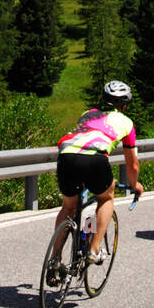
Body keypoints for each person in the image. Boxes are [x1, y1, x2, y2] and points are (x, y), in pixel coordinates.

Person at [48, 81, 143, 284]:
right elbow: (132, 164)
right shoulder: (127, 123)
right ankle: (94, 249)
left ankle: (55, 258)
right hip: (95, 158)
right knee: (106, 197)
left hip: (66, 154)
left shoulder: (87, 113)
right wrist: (135, 185)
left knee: (68, 207)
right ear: (125, 105)